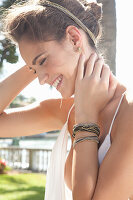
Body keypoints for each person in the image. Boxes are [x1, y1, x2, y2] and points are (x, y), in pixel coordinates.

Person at [0, 0, 133, 199]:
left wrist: (86, 118)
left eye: (43, 60)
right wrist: (33, 62)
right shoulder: (68, 111)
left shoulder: (128, 112)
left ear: (73, 38)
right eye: (35, 71)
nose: (42, 81)